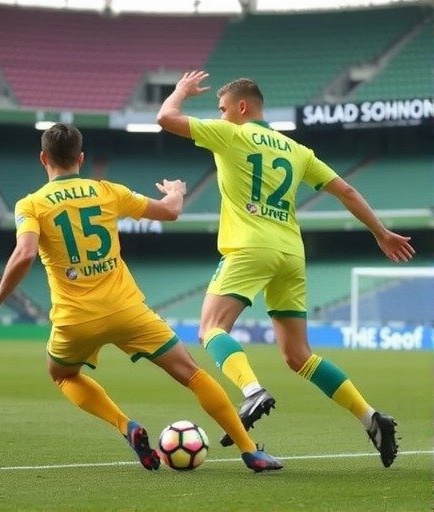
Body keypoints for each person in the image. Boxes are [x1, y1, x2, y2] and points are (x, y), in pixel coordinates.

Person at [0, 123, 282, 473]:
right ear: (81, 158)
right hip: (127, 311)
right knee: (192, 374)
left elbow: (24, 254)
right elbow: (170, 211)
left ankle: (126, 425)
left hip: (75, 320)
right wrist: (176, 191)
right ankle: (250, 451)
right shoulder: (107, 191)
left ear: (43, 158)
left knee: (63, 375)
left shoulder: (31, 204)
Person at [157, 71, 416, 468]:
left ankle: (252, 390)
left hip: (250, 247)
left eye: (223, 108)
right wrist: (380, 233)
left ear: (242, 107)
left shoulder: (231, 134)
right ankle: (371, 418)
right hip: (292, 253)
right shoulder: (298, 150)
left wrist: (180, 91)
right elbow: (346, 190)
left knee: (211, 328)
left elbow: (165, 118)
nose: (221, 115)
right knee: (299, 355)